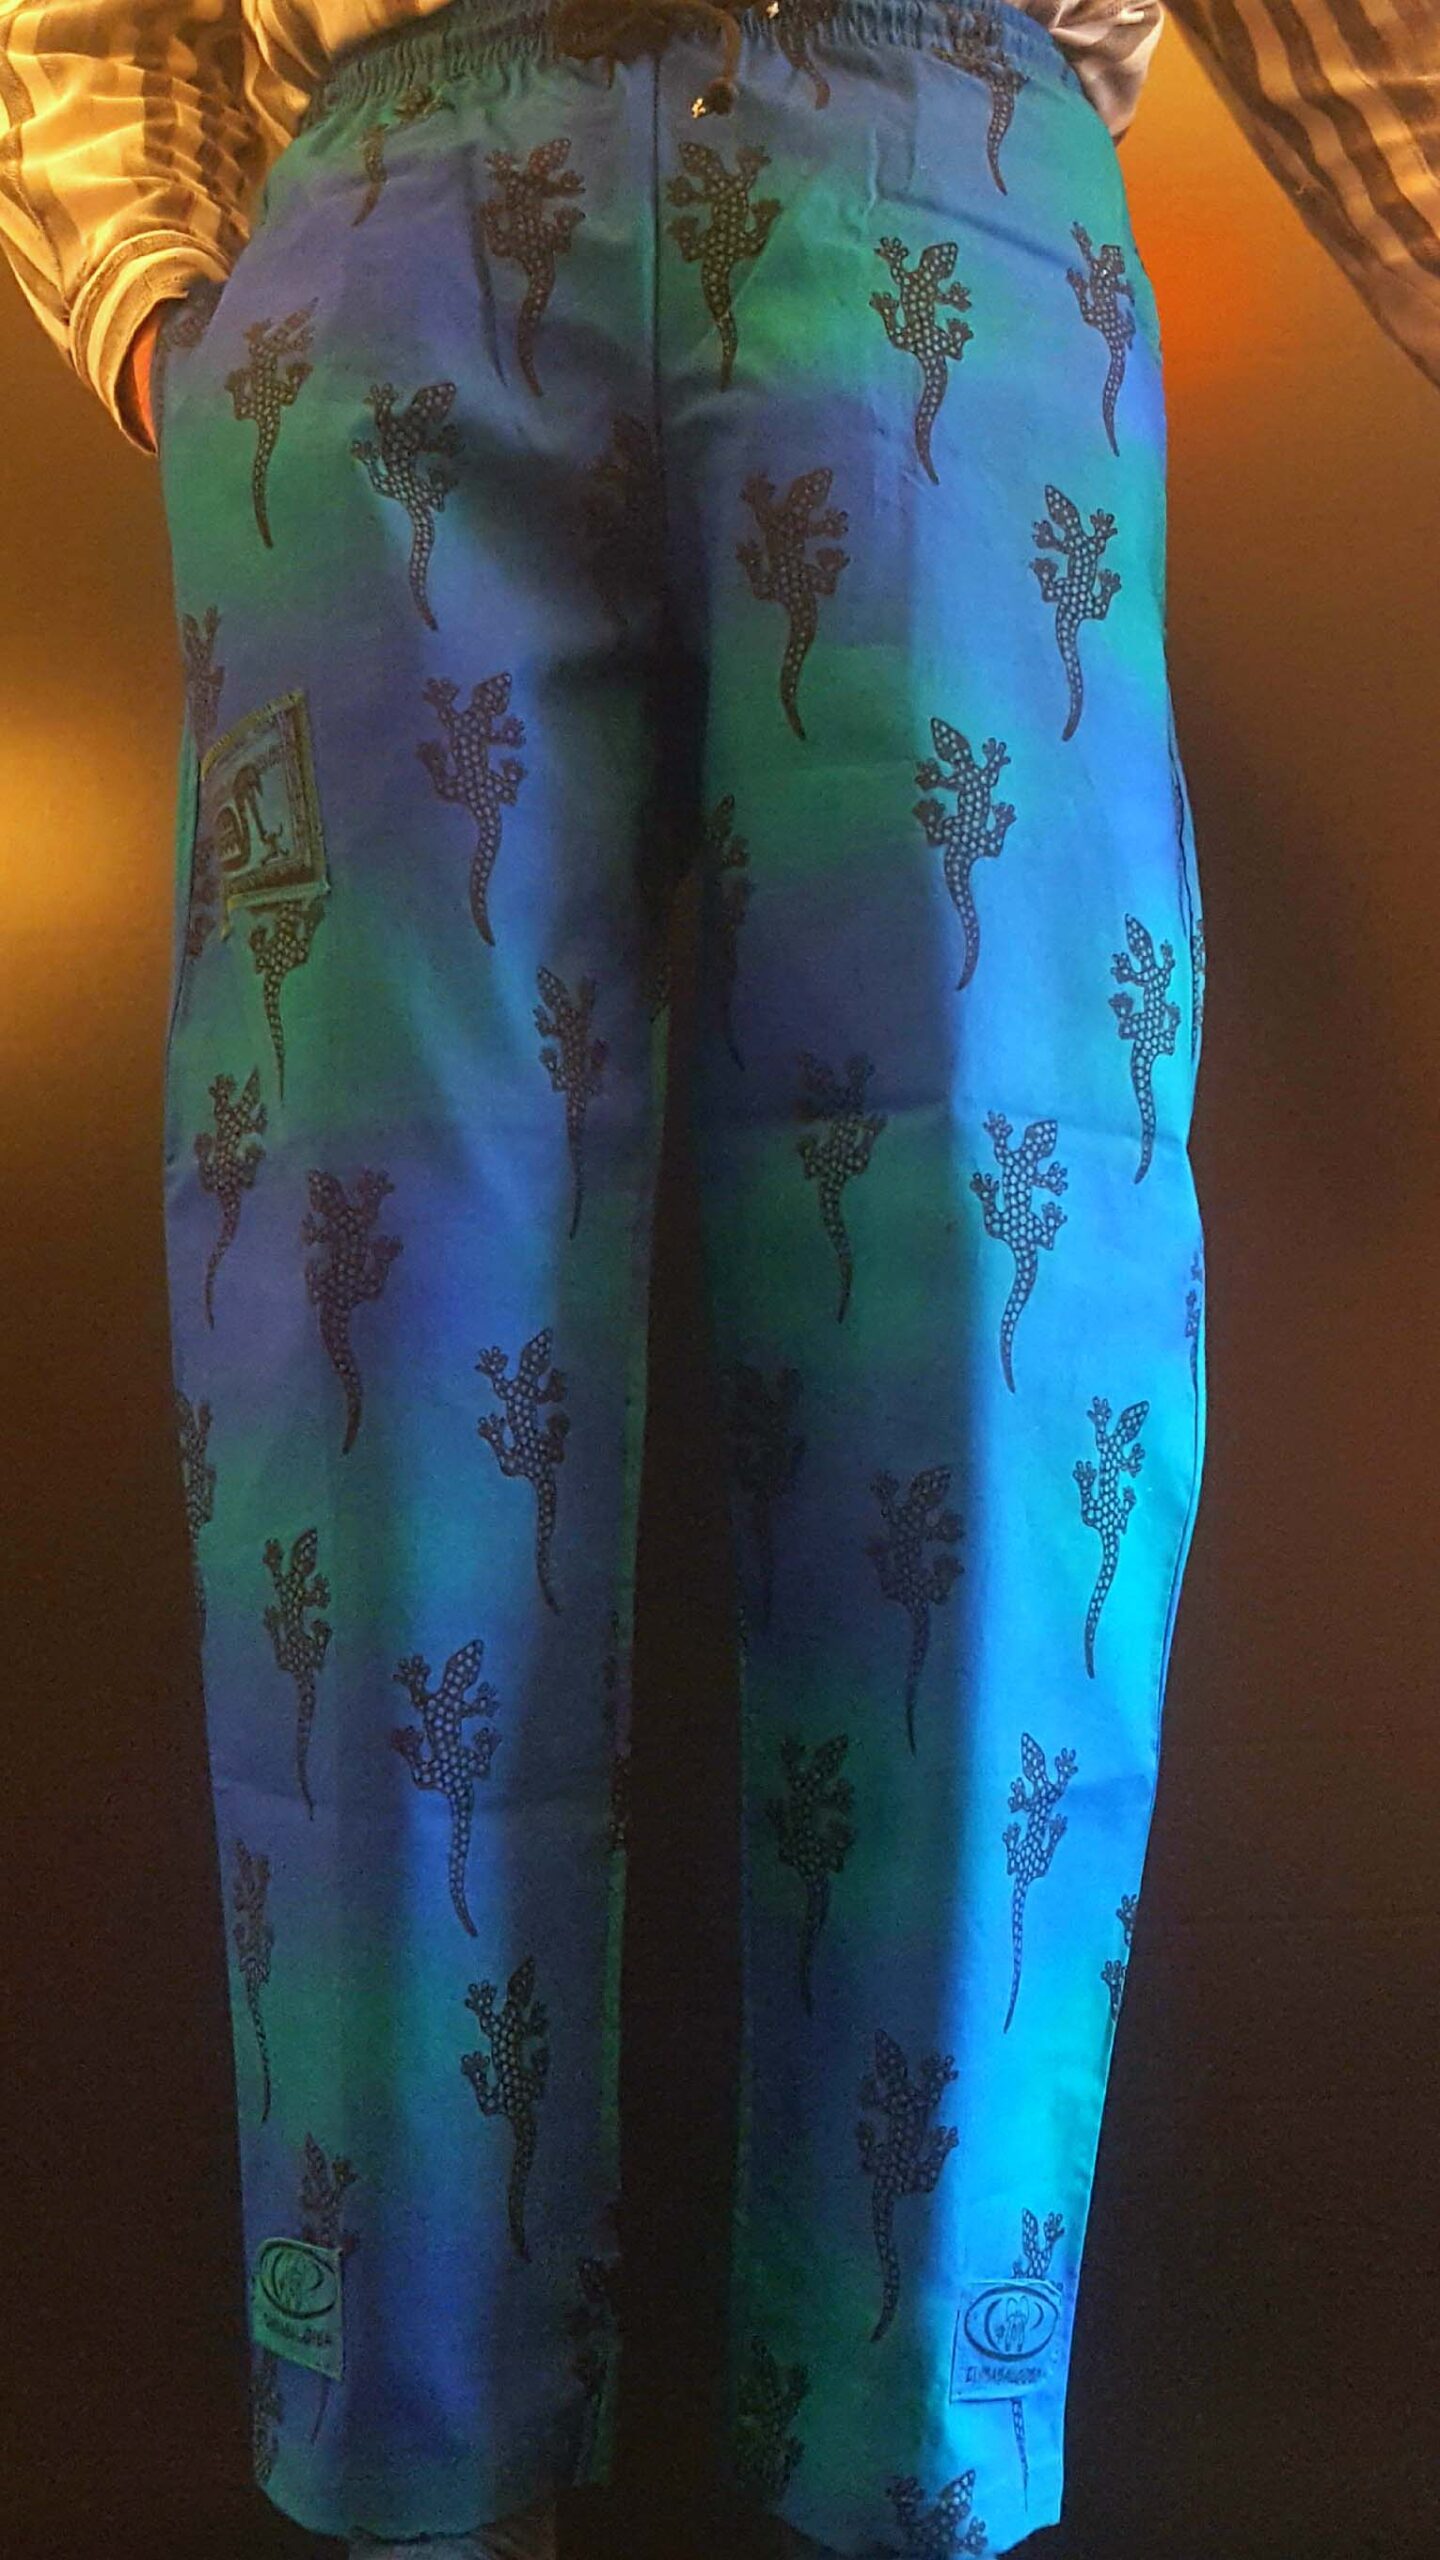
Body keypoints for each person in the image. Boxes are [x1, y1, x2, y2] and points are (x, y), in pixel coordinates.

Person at [0, 7, 1434, 2560]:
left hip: (945, 173)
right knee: (365, 1406)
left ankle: (917, 2473)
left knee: (1000, 1378)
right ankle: (408, 2483)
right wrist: (161, 300)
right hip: (377, 213)